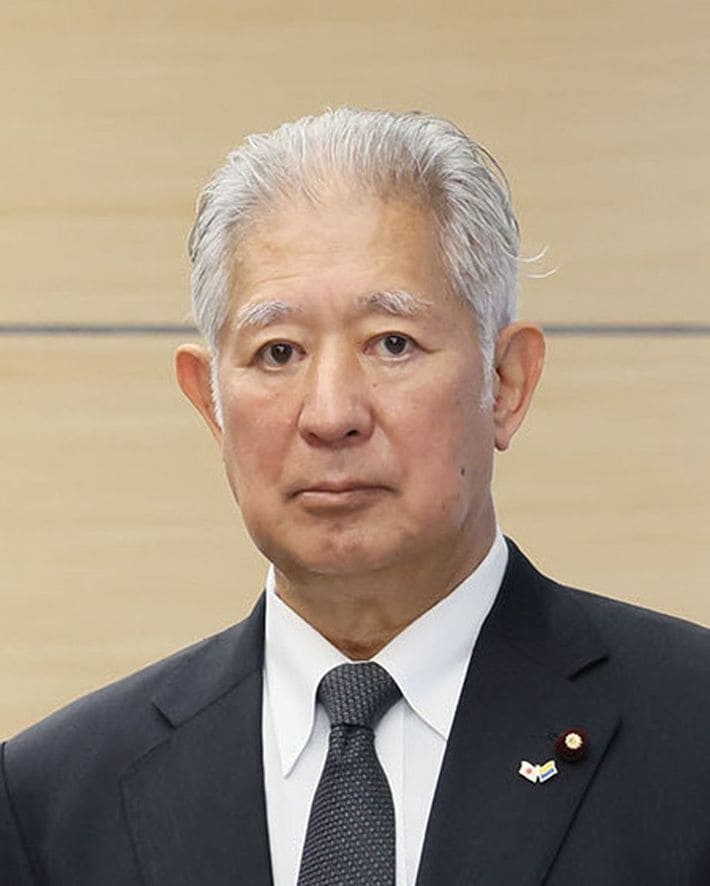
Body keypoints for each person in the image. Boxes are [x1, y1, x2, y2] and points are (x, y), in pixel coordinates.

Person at [1, 108, 708, 886]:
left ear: (506, 383)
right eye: (278, 353)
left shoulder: (689, 729)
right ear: (210, 403)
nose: (331, 414)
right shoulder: (50, 803)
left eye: (391, 343)